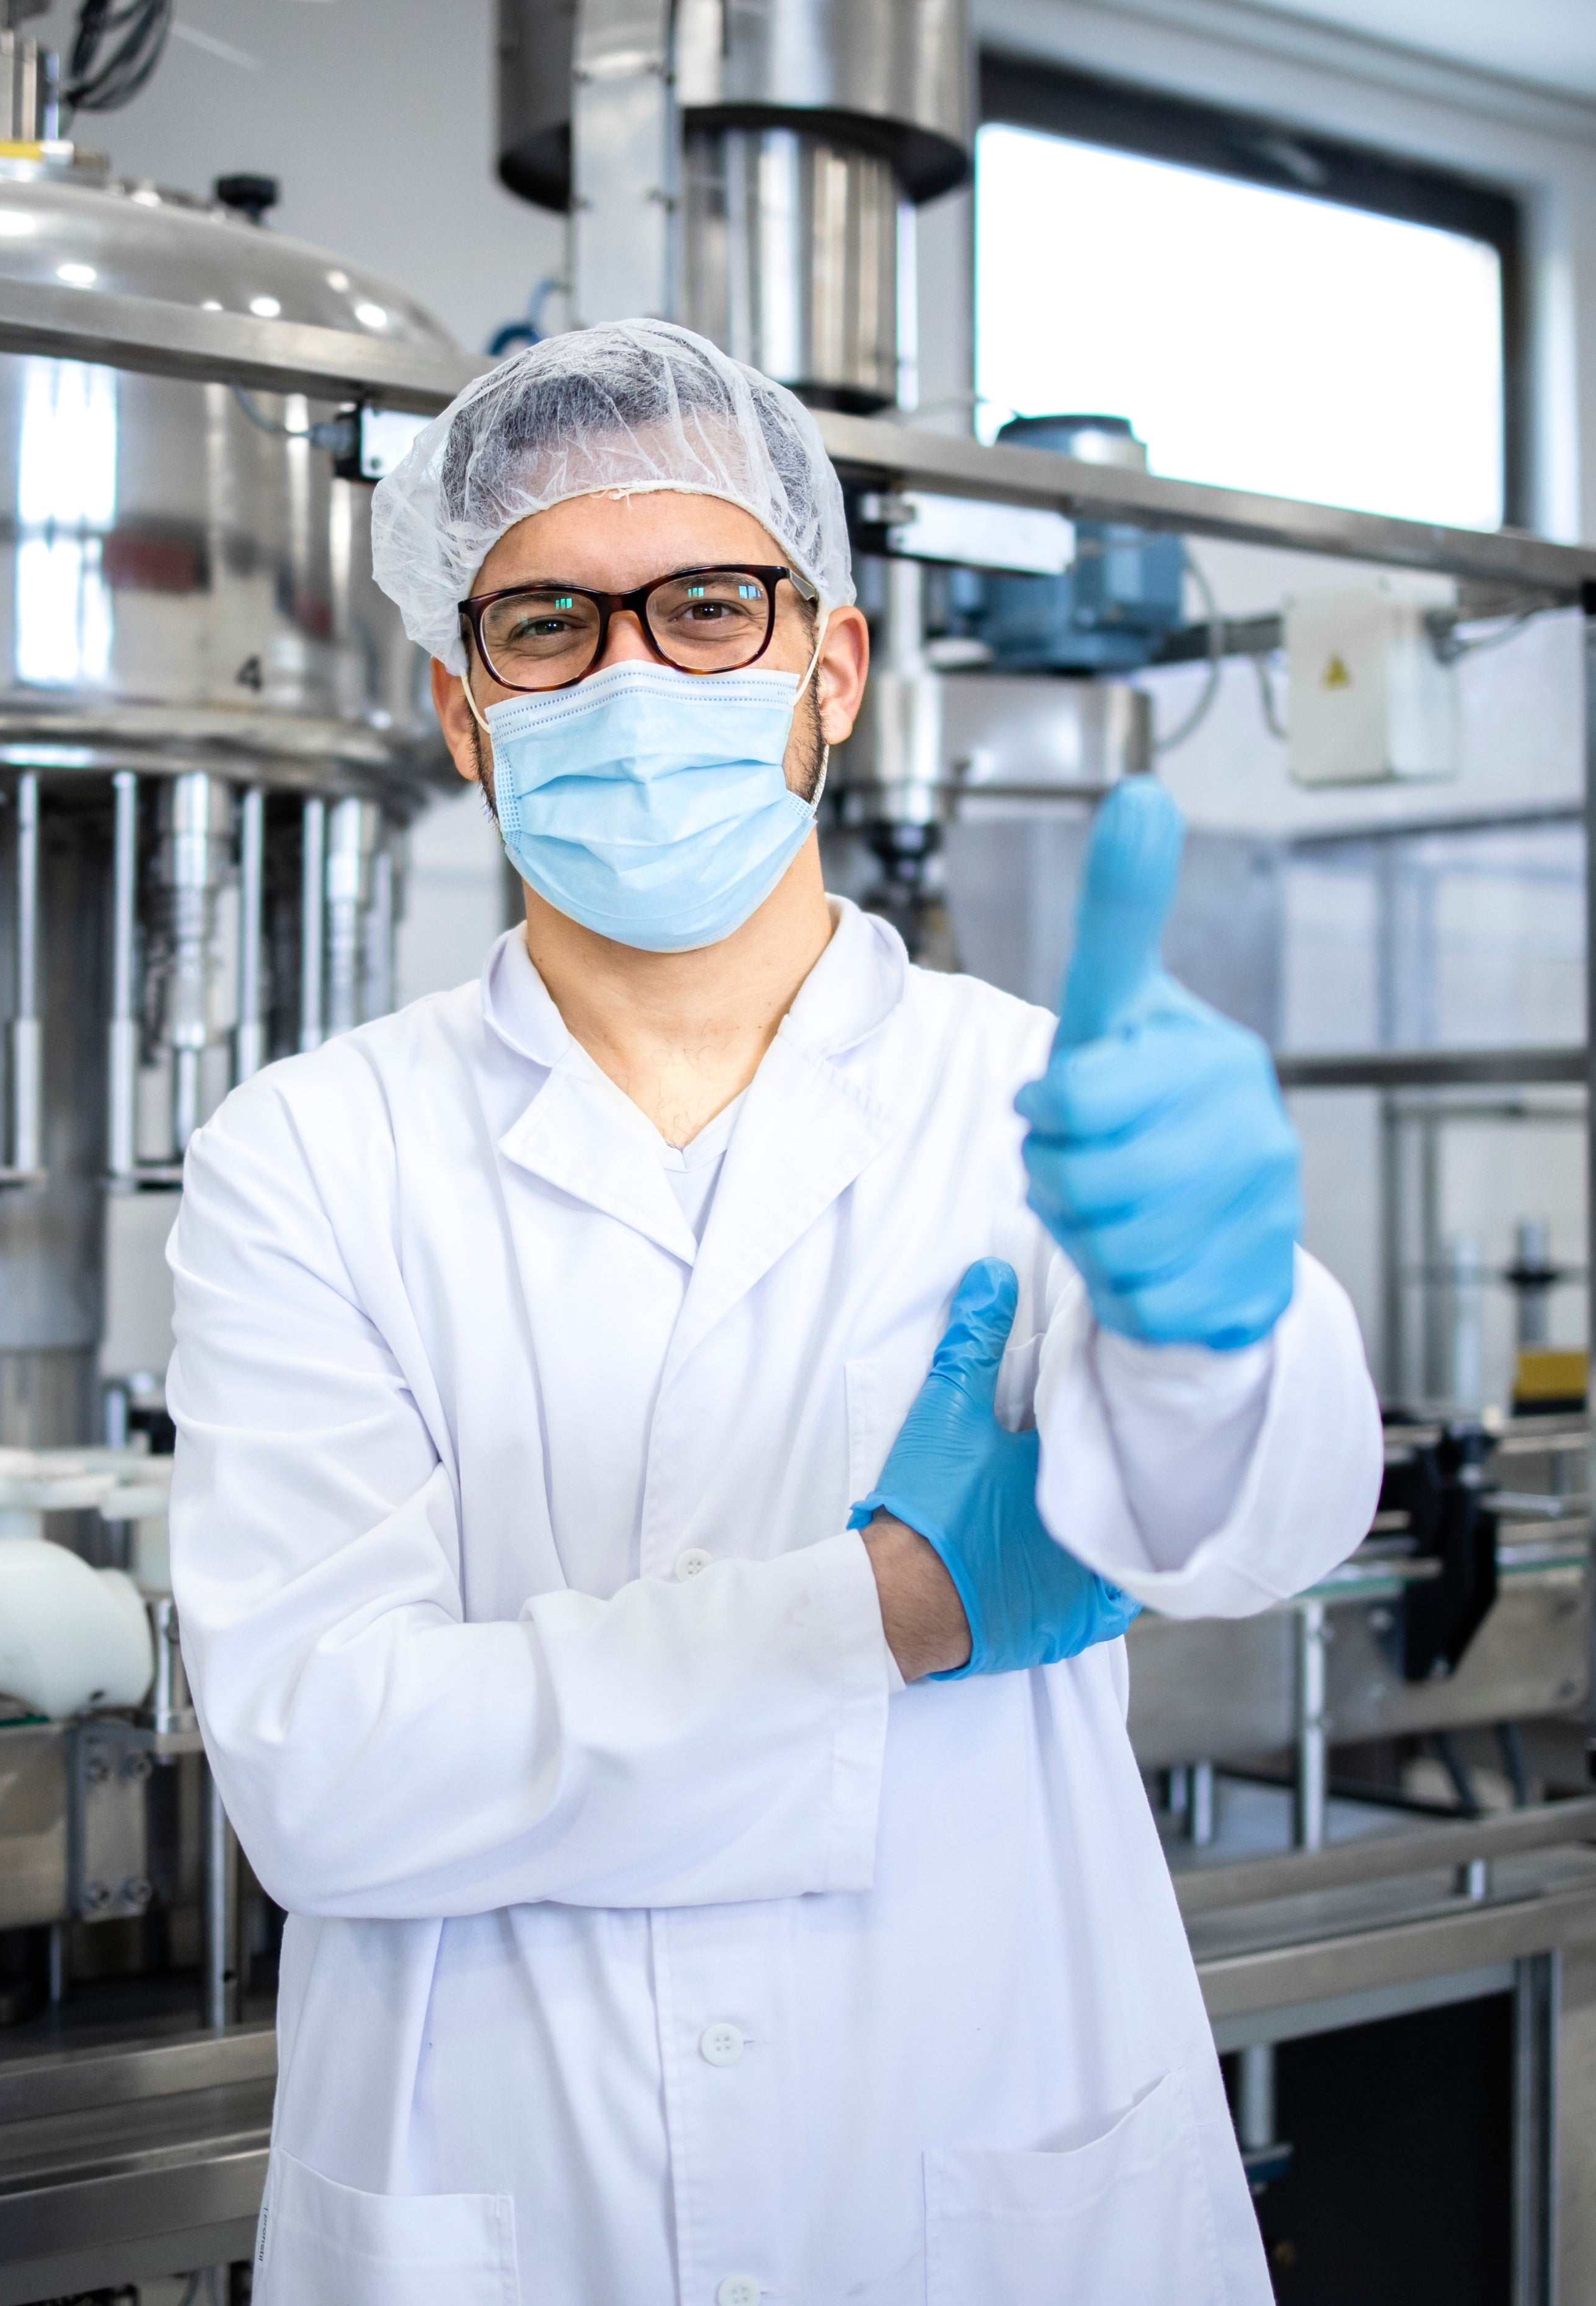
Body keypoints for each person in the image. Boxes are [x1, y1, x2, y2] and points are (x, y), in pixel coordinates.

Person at [165, 320, 1381, 2306]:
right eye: (549, 622)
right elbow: (327, 1776)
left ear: (832, 670)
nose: (633, 675)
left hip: (991, 2161)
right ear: (467, 711)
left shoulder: (1036, 1105)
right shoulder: (311, 1158)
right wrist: (889, 1609)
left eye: (709, 607)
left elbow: (1251, 1532)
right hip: (508, 2196)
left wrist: (1216, 1325)